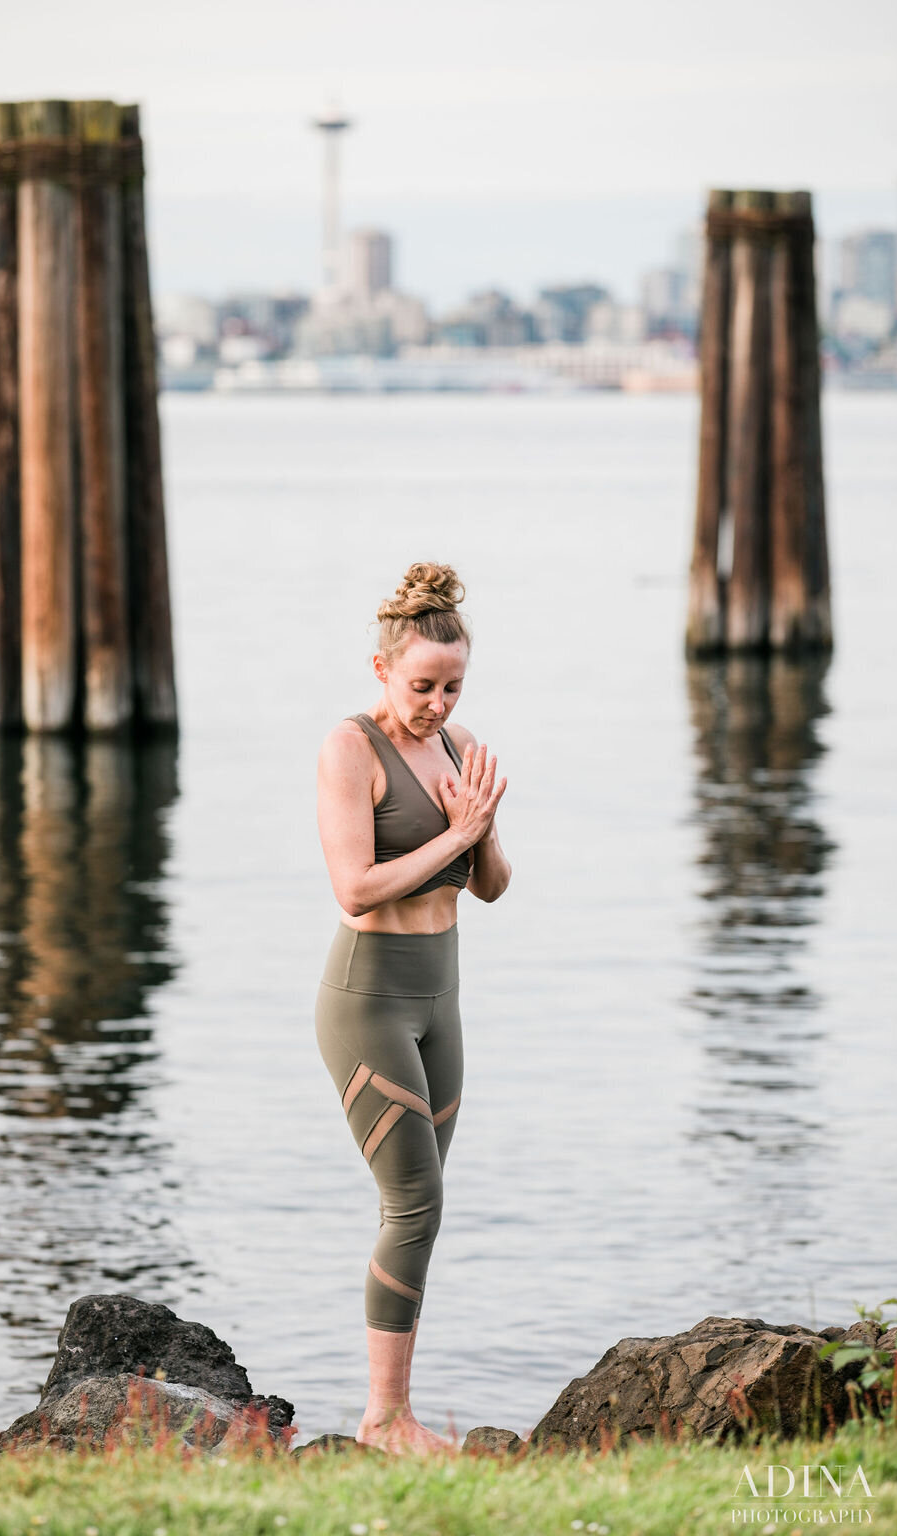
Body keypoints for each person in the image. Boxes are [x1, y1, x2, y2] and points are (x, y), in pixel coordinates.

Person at [314, 560, 511, 1455]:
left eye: (452, 686)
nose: (437, 702)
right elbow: (355, 889)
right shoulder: (350, 748)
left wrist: (486, 826)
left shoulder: (463, 747)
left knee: (426, 1205)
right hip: (370, 999)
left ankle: (397, 1412)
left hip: (443, 995)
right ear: (383, 670)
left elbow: (493, 888)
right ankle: (383, 1418)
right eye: (423, 684)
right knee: (414, 1199)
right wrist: (457, 835)